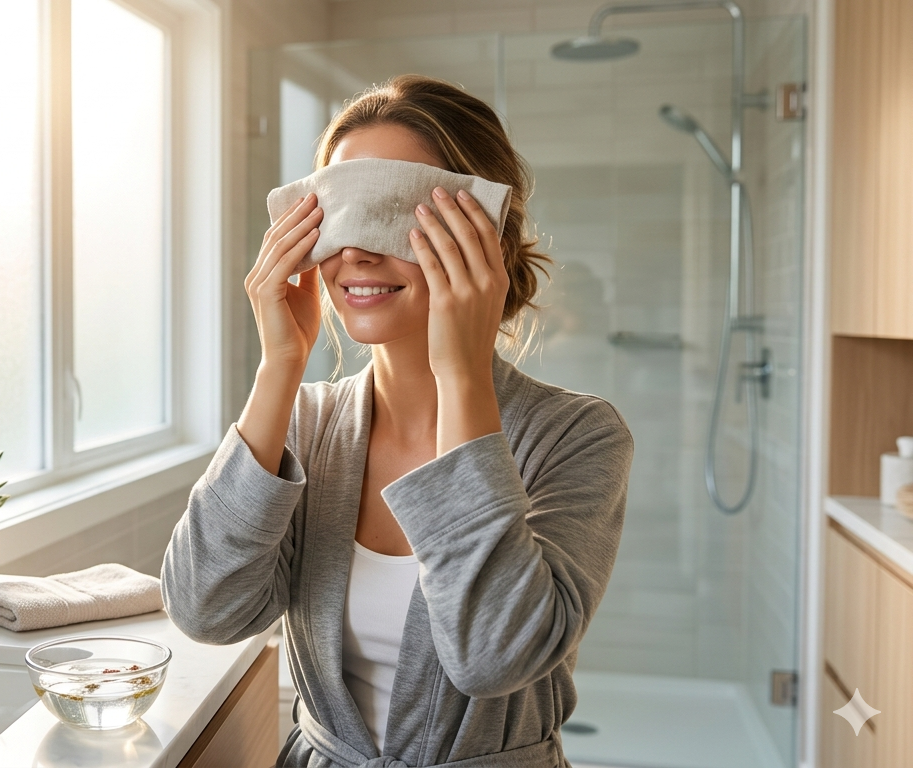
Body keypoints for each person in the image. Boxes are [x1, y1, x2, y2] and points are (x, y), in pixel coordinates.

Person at [161, 74, 634, 767]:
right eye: (338, 214)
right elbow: (205, 610)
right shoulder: (307, 425)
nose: (356, 251)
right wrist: (279, 368)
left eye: (392, 212)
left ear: (483, 233)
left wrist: (463, 374)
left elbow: (494, 655)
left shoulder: (577, 436)